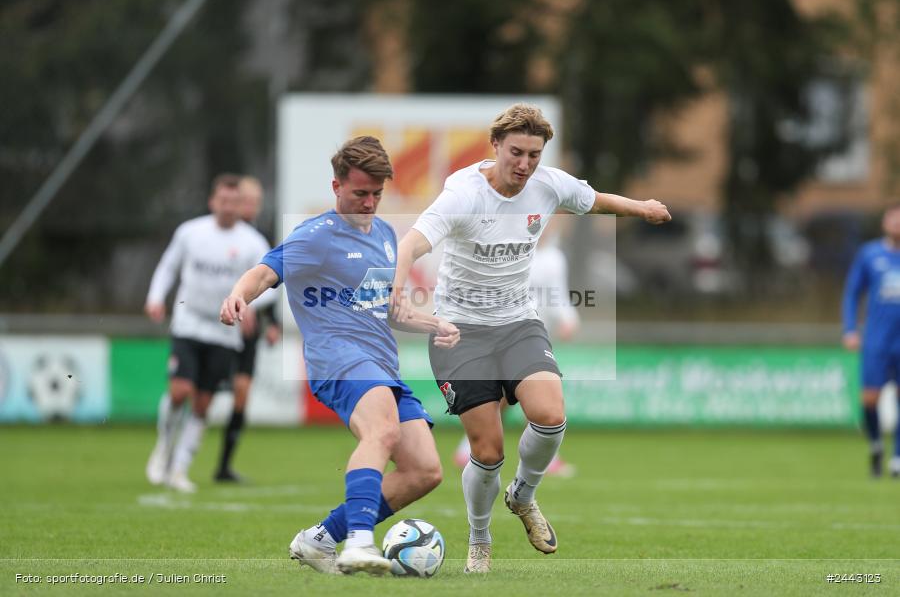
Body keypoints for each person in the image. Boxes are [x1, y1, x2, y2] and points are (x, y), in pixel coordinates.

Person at [390, 103, 671, 573]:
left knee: (551, 414)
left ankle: (523, 496)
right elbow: (412, 242)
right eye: (516, 152)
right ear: (495, 146)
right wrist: (398, 288)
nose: (524, 164)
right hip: (460, 332)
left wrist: (641, 208)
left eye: (534, 155)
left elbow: (596, 199)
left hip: (518, 323)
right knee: (487, 451)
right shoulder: (463, 193)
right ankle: (479, 540)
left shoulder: (548, 184)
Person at [219, 136, 460, 575]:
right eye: (359, 193)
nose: (369, 203)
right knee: (382, 432)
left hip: (381, 364)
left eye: (376, 194)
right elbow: (264, 271)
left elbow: (384, 309)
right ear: (336, 187)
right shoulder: (315, 236)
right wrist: (239, 295)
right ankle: (359, 544)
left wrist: (434, 324)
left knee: (424, 470)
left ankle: (320, 540)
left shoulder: (386, 235)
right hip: (338, 359)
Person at [144, 173, 275, 493]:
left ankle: (179, 469)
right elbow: (167, 267)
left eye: (234, 202)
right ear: (213, 201)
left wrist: (250, 307)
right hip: (188, 323)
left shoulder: (252, 242)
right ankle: (163, 449)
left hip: (224, 331)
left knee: (202, 404)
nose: (228, 207)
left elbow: (269, 283)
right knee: (179, 392)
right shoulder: (191, 232)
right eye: (223, 201)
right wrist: (155, 297)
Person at [453, 221, 577, 476]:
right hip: (507, 334)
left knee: (530, 398)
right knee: (505, 397)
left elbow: (557, 294)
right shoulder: (512, 251)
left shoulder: (554, 258)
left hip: (537, 336)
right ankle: (470, 447)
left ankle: (542, 456)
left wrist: (568, 319)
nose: (547, 228)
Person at [214, 175, 282, 482]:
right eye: (246, 201)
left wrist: (273, 322)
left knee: (241, 394)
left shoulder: (258, 239)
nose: (250, 207)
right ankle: (178, 454)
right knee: (202, 394)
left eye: (256, 202)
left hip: (248, 329)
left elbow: (271, 281)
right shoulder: (217, 235)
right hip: (218, 325)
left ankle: (223, 465)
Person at [842, 202, 900, 478]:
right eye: (894, 219)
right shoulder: (870, 254)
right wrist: (850, 329)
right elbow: (852, 293)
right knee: (869, 400)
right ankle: (877, 444)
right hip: (877, 341)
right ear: (885, 223)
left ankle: (897, 458)